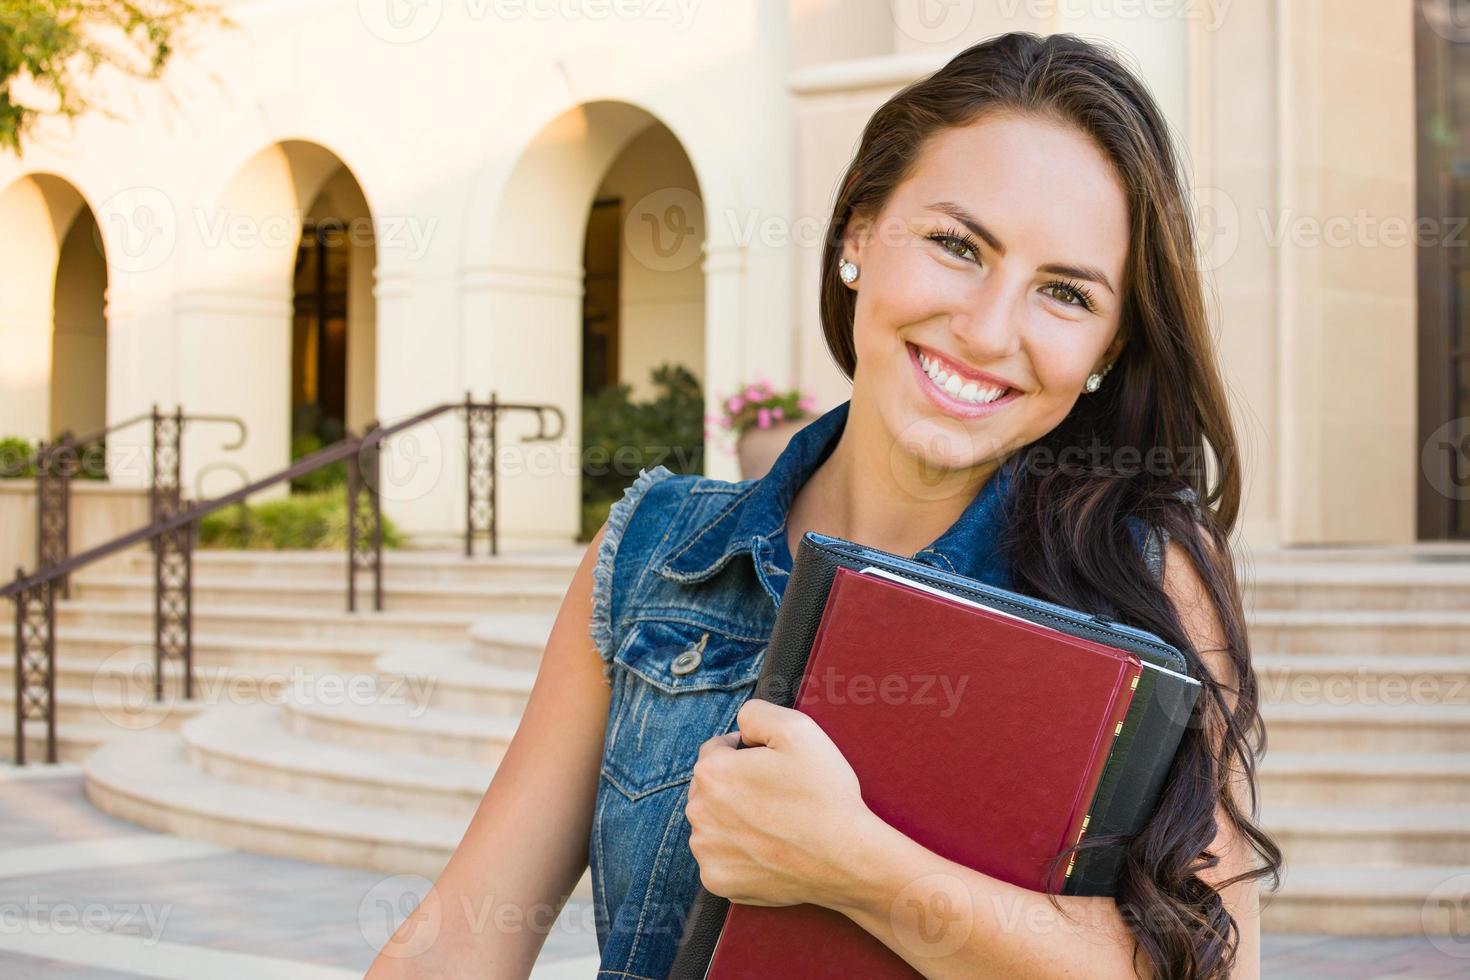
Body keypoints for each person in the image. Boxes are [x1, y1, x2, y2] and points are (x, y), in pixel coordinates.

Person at [367, 31, 1282, 980]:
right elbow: (463, 936)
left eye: (1064, 292)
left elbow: (1210, 966)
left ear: (1106, 351)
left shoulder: (1144, 577)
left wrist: (857, 868)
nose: (987, 328)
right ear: (857, 237)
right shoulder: (651, 552)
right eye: (956, 245)